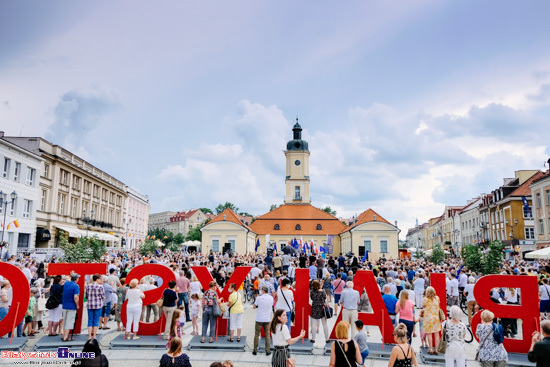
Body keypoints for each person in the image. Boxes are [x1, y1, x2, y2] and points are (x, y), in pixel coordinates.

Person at [252, 285, 273, 356]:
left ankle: (255, 350)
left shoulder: (259, 298)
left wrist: (256, 298)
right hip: (267, 319)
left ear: (263, 290)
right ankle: (267, 350)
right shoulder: (271, 298)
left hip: (259, 318)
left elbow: (254, 307)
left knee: (257, 334)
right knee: (267, 335)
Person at [422, 286, 442, 355]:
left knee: (429, 333)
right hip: (436, 318)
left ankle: (430, 349)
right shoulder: (437, 298)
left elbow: (423, 306)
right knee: (436, 334)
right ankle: (436, 349)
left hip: (428, 318)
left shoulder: (425, 299)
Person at [86, 274, 105, 340]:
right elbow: (103, 296)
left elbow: (86, 296)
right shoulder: (100, 287)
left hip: (90, 305)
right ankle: (94, 336)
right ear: (97, 279)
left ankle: (89, 336)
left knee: (90, 320)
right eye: (100, 279)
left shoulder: (88, 286)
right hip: (98, 305)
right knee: (96, 320)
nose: (100, 280)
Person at [61, 273, 80, 342]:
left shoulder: (66, 283)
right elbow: (75, 297)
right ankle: (66, 337)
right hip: (71, 306)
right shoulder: (76, 286)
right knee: (69, 322)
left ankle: (64, 335)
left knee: (65, 321)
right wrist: (77, 305)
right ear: (76, 279)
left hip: (64, 305)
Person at [310, 279, 329, 344]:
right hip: (322, 308)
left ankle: (313, 338)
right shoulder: (323, 291)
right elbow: (325, 298)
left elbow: (312, 298)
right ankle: (327, 338)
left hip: (315, 308)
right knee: (325, 324)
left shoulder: (312, 292)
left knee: (314, 324)